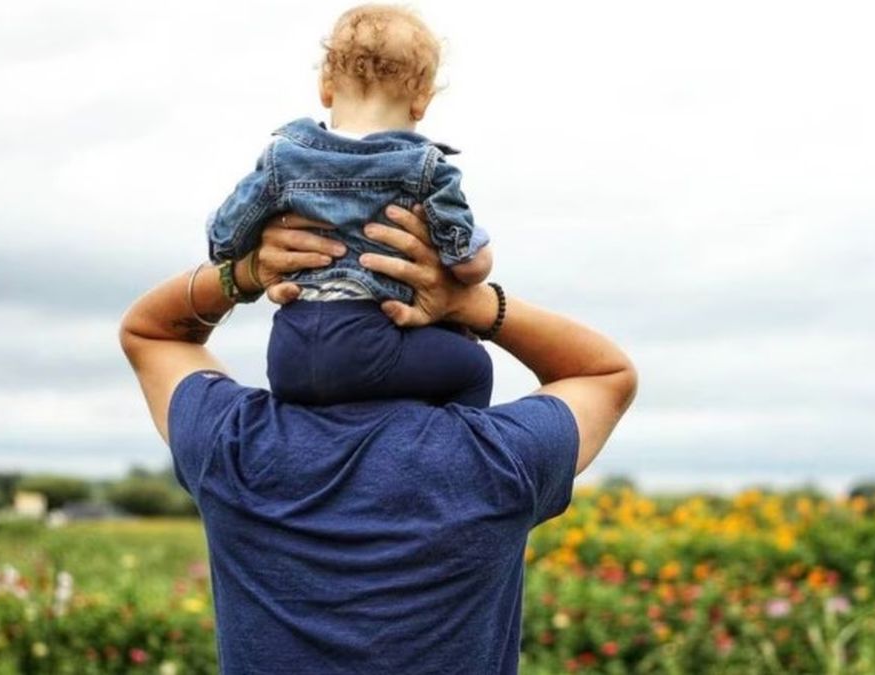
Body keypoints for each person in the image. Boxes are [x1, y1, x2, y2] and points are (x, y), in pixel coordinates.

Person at [119, 205, 638, 674]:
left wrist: (245, 273)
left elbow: (152, 333)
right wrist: (472, 303)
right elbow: (604, 375)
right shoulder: (498, 462)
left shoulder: (234, 445)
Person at [205, 4, 494, 407]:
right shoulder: (427, 168)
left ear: (326, 87)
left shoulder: (282, 158)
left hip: (289, 353)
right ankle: (454, 459)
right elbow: (467, 264)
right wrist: (479, 255)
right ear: (421, 102)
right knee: (473, 366)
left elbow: (225, 240)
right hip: (371, 344)